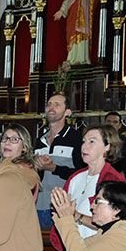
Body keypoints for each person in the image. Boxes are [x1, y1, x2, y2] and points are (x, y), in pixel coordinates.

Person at [49, 125, 125, 251]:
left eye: (92, 141)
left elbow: (115, 225)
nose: (84, 146)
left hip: (100, 249)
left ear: (107, 146)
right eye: (84, 141)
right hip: (72, 246)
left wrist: (76, 216)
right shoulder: (75, 177)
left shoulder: (114, 180)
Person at [33, 93, 84, 229]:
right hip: (40, 204)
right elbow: (37, 176)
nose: (51, 107)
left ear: (67, 112)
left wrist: (54, 168)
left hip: (64, 207)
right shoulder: (40, 140)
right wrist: (37, 167)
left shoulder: (76, 138)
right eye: (49, 104)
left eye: (57, 105)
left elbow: (81, 173)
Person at [53, 0, 94, 65]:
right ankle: (72, 58)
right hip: (72, 12)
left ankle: (83, 58)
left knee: (82, 32)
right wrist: (62, 10)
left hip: (84, 11)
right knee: (72, 33)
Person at [0, 124, 39, 199]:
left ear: (24, 147)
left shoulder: (26, 171)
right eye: (5, 138)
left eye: (14, 139)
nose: (7, 143)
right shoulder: (0, 166)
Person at [104, 111, 126, 180]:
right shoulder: (98, 140)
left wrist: (121, 176)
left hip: (119, 178)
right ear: (104, 123)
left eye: (115, 122)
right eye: (108, 121)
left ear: (119, 125)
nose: (111, 124)